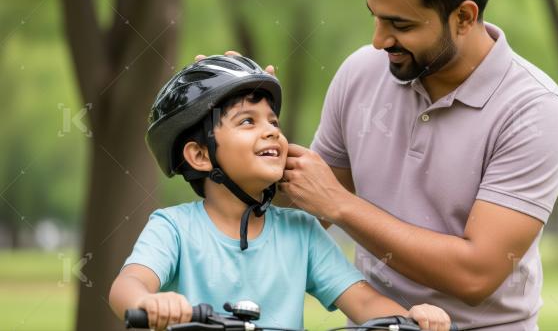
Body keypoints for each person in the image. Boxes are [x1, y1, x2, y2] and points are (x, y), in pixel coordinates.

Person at [274, 0, 558, 330]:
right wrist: (238, 117)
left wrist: (342, 205)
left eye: (400, 24)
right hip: (373, 323)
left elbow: (476, 274)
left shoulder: (533, 108)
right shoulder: (360, 72)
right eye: (375, 17)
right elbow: (306, 206)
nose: (378, 41)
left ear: (464, 17)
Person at [107, 55, 451, 331]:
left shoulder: (301, 231)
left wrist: (411, 318)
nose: (271, 132)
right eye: (247, 122)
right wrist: (148, 302)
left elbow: (364, 302)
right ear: (199, 155)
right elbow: (127, 285)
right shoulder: (174, 228)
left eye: (273, 122)